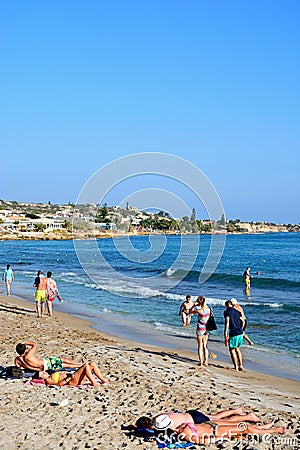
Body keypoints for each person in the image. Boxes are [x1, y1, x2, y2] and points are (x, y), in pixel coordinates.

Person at [135, 406, 261, 431]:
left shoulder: (164, 425)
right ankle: (237, 411)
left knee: (223, 422)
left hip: (196, 420)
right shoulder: (158, 417)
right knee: (215, 416)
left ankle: (248, 416)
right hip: (191, 413)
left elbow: (177, 431)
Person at [174, 418, 286, 445]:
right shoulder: (185, 434)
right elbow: (202, 441)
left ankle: (265, 427)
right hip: (216, 430)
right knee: (245, 428)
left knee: (243, 425)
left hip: (212, 424)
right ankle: (274, 430)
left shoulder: (178, 427)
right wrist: (222, 438)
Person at [14, 341, 81, 372]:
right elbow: (34, 344)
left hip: (43, 368)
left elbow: (18, 366)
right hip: (46, 362)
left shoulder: (17, 359)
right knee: (62, 360)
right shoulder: (28, 355)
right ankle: (80, 365)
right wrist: (25, 342)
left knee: (63, 365)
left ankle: (79, 365)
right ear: (25, 349)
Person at [37, 361, 109, 386]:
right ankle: (94, 383)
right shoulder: (48, 381)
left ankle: (103, 380)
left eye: (43, 372)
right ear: (41, 378)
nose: (44, 373)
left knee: (92, 364)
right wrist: (69, 378)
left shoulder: (51, 374)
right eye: (42, 374)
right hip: (72, 381)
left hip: (73, 377)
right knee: (86, 365)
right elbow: (59, 384)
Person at [224, 299, 245, 371]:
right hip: (240, 332)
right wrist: (242, 328)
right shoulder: (237, 311)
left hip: (233, 332)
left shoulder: (227, 312)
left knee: (232, 349)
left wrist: (225, 333)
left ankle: (236, 366)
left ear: (226, 305)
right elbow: (243, 320)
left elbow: (227, 322)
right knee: (238, 349)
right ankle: (241, 365)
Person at [189, 296, 211, 366]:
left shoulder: (199, 310)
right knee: (205, 345)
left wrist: (193, 305)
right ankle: (206, 361)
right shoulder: (208, 309)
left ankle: (201, 362)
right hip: (207, 327)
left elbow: (190, 311)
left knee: (200, 345)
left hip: (201, 327)